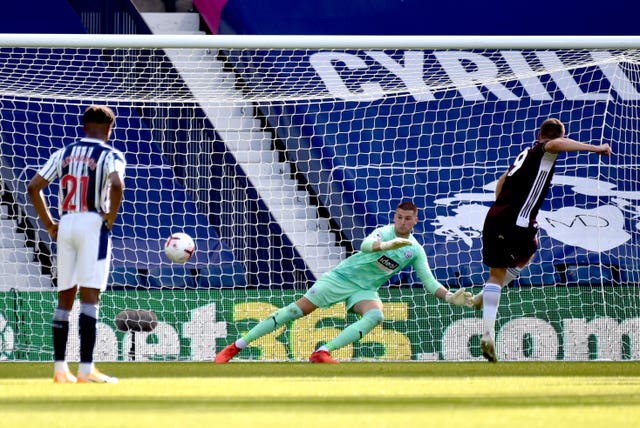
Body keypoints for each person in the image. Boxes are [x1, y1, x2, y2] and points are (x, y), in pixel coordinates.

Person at [216, 201, 474, 363]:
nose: (402, 222)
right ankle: (235, 347)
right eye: (399, 217)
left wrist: (450, 296)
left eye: (407, 219)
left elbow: (429, 282)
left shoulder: (415, 250)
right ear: (394, 217)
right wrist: (384, 245)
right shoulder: (384, 233)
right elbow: (363, 245)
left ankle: (323, 352)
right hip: (341, 278)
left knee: (375, 317)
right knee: (296, 311)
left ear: (415, 221)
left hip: (365, 289)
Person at [472, 118, 612, 362]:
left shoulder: (524, 153)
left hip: (495, 216)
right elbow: (554, 145)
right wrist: (596, 148)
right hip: (517, 220)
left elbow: (503, 178)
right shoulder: (544, 150)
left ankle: (486, 317)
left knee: (509, 264)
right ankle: (487, 320)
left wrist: (500, 204)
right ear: (557, 136)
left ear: (538, 133)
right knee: (523, 254)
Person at [27, 105, 125, 383]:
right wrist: (110, 218)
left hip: (66, 223)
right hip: (93, 224)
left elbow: (34, 186)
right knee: (90, 298)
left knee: (65, 299)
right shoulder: (110, 154)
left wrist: (49, 224)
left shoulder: (64, 153)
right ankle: (86, 369)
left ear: (84, 127)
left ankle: (60, 369)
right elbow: (117, 185)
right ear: (109, 130)